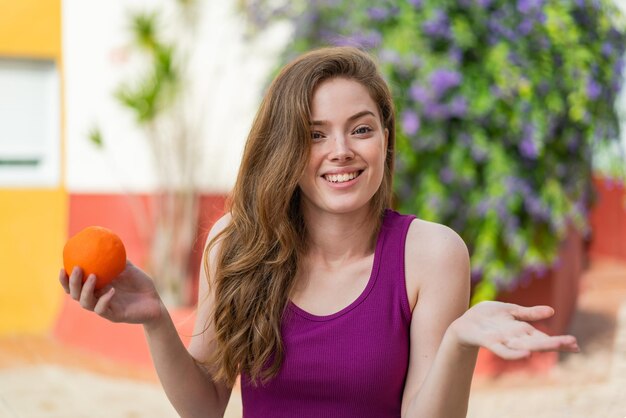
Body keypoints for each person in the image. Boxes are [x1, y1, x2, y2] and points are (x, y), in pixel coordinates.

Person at [59, 46, 579, 418]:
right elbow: (205, 406)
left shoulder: (432, 254)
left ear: (385, 140)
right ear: (284, 147)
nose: (341, 150)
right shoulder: (235, 245)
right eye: (314, 134)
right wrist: (155, 319)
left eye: (361, 128)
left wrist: (459, 343)